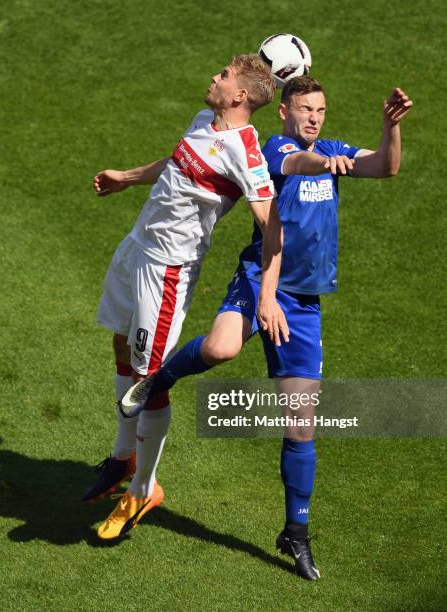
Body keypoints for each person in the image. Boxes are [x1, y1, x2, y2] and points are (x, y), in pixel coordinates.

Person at [122, 76, 413, 579]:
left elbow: (386, 167)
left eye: (320, 109)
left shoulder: (336, 149)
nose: (314, 117)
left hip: (303, 302)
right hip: (259, 278)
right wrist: (267, 296)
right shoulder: (274, 148)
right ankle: (160, 378)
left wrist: (390, 129)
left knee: (301, 422)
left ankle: (294, 533)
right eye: (305, 108)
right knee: (219, 349)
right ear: (284, 111)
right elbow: (298, 163)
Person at [84, 55, 287, 541]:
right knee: (120, 346)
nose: (214, 78)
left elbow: (271, 219)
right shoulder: (203, 122)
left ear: (240, 96)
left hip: (167, 271)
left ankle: (143, 487)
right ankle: (122, 455)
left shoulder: (244, 150)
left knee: (149, 378)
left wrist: (269, 292)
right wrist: (126, 177)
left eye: (223, 76)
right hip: (136, 247)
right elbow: (175, 165)